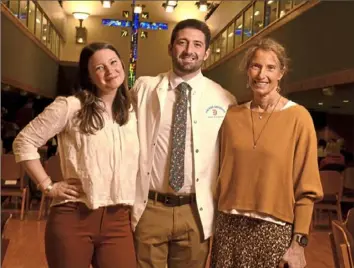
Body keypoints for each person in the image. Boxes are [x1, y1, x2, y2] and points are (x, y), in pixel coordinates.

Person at [13, 42, 139, 268]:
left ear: (122, 64)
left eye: (113, 62)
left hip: (118, 219)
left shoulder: (132, 112)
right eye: (99, 68)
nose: (110, 71)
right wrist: (47, 185)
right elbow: (24, 142)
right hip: (74, 216)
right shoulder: (71, 106)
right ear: (89, 76)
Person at [132, 19, 236, 268]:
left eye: (197, 44)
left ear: (207, 53)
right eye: (182, 42)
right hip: (151, 208)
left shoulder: (224, 99)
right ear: (170, 48)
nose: (189, 50)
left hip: (195, 211)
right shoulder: (144, 88)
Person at [211, 38, 323, 268]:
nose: (262, 74)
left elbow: (307, 187)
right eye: (256, 66)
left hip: (273, 232)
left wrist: (299, 243)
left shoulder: (299, 118)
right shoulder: (232, 116)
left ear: (281, 73)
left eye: (271, 67)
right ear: (247, 71)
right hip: (229, 228)